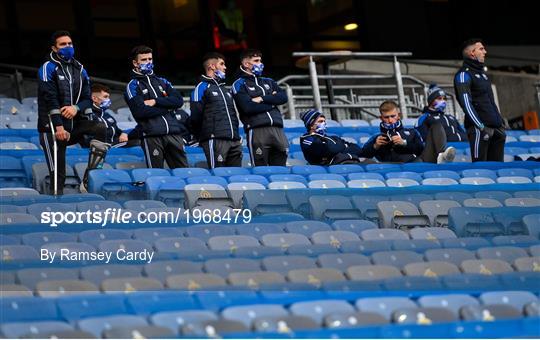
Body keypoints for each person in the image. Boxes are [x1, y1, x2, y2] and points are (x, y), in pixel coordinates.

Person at [37, 30, 108, 195]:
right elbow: (50, 99)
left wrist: (75, 108)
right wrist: (59, 127)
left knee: (100, 127)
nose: (68, 47)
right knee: (58, 175)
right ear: (54, 48)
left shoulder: (80, 68)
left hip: (73, 125)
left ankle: (88, 178)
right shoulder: (48, 68)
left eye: (70, 43)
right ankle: (56, 204)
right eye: (63, 44)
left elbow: (87, 98)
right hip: (52, 129)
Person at [124, 45, 189, 169]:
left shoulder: (163, 81)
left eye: (150, 59)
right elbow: (140, 112)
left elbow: (178, 101)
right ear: (135, 63)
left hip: (174, 133)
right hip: (151, 135)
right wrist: (168, 107)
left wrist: (155, 101)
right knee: (156, 174)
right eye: (144, 60)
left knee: (183, 172)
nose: (148, 62)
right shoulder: (132, 86)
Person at [232, 49, 289, 166]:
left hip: (278, 129)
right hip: (257, 129)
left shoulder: (269, 81)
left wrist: (262, 99)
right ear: (246, 64)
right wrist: (273, 102)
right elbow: (248, 107)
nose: (260, 63)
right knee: (260, 168)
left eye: (260, 60)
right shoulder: (239, 84)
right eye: (256, 61)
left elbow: (283, 97)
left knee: (281, 170)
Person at [454, 38, 506, 162]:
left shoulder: (483, 74)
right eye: (481, 49)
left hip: (496, 129)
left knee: (497, 169)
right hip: (480, 130)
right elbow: (466, 104)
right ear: (472, 53)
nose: (485, 52)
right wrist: (481, 126)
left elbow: (491, 102)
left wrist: (501, 123)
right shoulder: (463, 75)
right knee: (481, 168)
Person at [190, 52, 242, 168]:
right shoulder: (201, 87)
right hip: (215, 140)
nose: (225, 67)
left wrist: (236, 136)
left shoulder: (224, 89)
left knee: (236, 178)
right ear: (212, 66)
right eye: (222, 64)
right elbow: (196, 116)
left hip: (234, 140)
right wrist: (203, 136)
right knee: (218, 175)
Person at [362, 101, 455, 163]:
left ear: (398, 116)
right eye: (386, 117)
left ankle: (441, 155)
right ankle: (441, 158)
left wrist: (404, 143)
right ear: (381, 118)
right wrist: (375, 146)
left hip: (420, 160)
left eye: (392, 116)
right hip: (397, 164)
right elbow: (363, 154)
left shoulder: (412, 132)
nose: (390, 120)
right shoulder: (377, 137)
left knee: (436, 126)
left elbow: (420, 149)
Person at [299, 109, 369, 165]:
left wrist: (337, 147)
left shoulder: (333, 138)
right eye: (320, 121)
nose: (324, 123)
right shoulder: (307, 139)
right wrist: (344, 146)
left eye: (324, 121)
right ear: (311, 125)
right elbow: (329, 149)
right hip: (335, 166)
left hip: (352, 162)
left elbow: (357, 149)